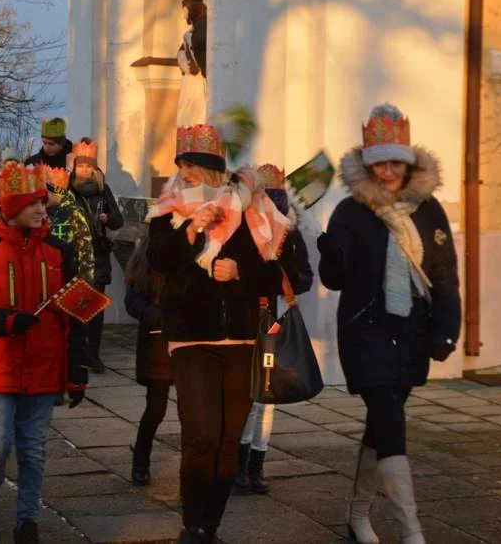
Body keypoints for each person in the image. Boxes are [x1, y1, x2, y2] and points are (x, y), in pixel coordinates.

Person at [146, 124, 298, 543]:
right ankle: (192, 526)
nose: (185, 173)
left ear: (214, 171)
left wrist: (241, 273)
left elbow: (284, 274)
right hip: (192, 338)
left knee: (229, 440)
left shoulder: (254, 210)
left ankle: (210, 527)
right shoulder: (169, 209)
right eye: (182, 165)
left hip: (242, 340)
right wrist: (191, 230)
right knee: (201, 435)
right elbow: (158, 262)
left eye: (193, 166)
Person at [317, 104, 461, 544]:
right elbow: (333, 279)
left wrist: (446, 328)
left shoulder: (429, 209)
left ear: (409, 161)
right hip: (367, 331)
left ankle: (357, 516)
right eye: (380, 162)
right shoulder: (350, 212)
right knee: (390, 420)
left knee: (383, 422)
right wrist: (330, 251)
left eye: (396, 161)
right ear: (368, 164)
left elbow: (443, 275)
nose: (389, 170)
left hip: (412, 332)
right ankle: (410, 531)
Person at [0, 162, 87, 544]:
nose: (43, 210)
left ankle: (27, 522)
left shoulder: (59, 252)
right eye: (33, 204)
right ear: (12, 208)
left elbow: (76, 316)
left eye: (44, 203)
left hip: (45, 367)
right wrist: (7, 322)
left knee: (33, 450)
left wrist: (77, 370)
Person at [233, 164, 314, 496]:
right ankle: (239, 465)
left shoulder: (291, 235)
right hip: (250, 321)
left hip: (277, 321)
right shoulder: (243, 232)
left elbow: (305, 277)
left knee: (269, 397)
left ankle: (256, 465)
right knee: (251, 396)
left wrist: (283, 272)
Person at [70, 137, 123, 374]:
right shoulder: (66, 188)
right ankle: (76, 353)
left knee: (95, 308)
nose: (84, 170)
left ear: (94, 168)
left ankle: (94, 355)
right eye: (80, 165)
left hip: (98, 254)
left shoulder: (103, 190)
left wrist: (106, 218)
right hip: (74, 255)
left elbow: (118, 219)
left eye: (88, 166)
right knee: (75, 307)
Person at [124, 236, 173, 486]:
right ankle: (141, 460)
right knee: (156, 410)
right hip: (159, 343)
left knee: (192, 411)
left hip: (190, 341)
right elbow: (133, 301)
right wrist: (155, 316)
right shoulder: (146, 253)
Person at [46, 164, 95, 406]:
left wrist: (85, 286)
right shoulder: (46, 214)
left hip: (73, 283)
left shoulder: (73, 213)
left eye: (48, 192)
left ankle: (71, 382)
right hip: (49, 285)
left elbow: (85, 251)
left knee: (73, 340)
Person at [176, 0, 208, 127]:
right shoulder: (193, 30)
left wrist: (191, 64)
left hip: (196, 82)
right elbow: (183, 53)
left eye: (185, 11)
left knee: (196, 117)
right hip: (190, 81)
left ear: (192, 10)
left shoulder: (201, 27)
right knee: (188, 117)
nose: (183, 16)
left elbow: (198, 54)